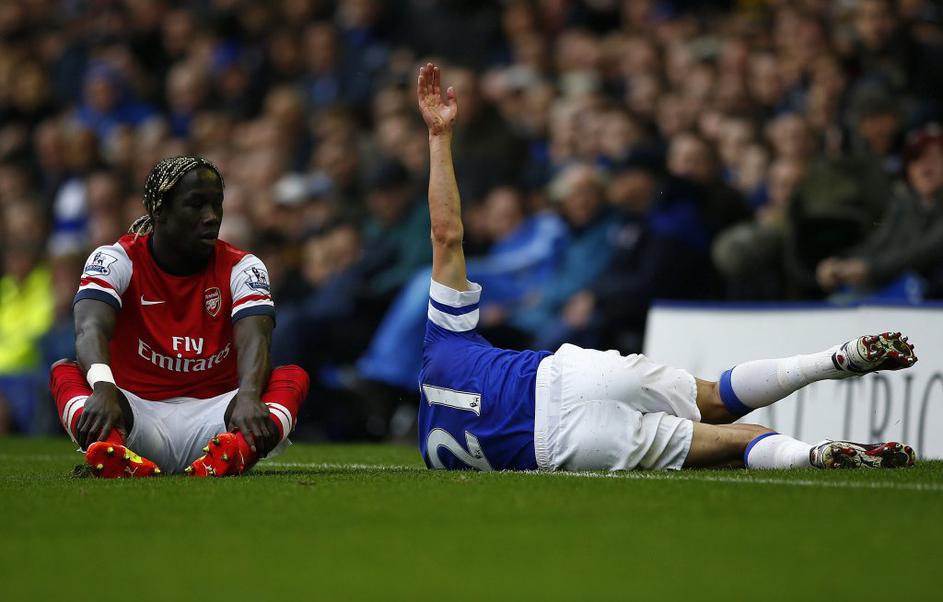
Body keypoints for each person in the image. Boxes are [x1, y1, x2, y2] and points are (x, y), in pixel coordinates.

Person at [414, 63, 918, 473]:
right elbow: (446, 235)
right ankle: (831, 359)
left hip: (563, 445)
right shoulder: (443, 341)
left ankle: (810, 455)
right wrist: (439, 137)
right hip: (568, 376)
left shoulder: (433, 451)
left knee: (732, 445)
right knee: (716, 396)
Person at [49, 156, 310, 478]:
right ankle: (114, 451)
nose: (211, 217)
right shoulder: (114, 259)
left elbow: (256, 338)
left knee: (292, 378)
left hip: (221, 417)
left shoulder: (244, 267)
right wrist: (103, 387)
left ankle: (234, 453)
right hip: (132, 414)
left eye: (216, 204)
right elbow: (90, 328)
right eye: (196, 205)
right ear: (160, 211)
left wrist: (248, 396)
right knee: (66, 373)